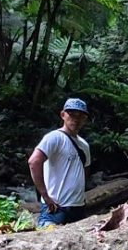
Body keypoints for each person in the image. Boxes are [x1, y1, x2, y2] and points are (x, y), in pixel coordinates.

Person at [28, 97, 92, 227]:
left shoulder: (84, 145)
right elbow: (34, 162)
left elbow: (85, 170)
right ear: (63, 115)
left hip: (78, 207)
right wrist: (45, 196)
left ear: (85, 119)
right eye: (72, 114)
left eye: (80, 115)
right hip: (56, 207)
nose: (76, 118)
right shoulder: (54, 138)